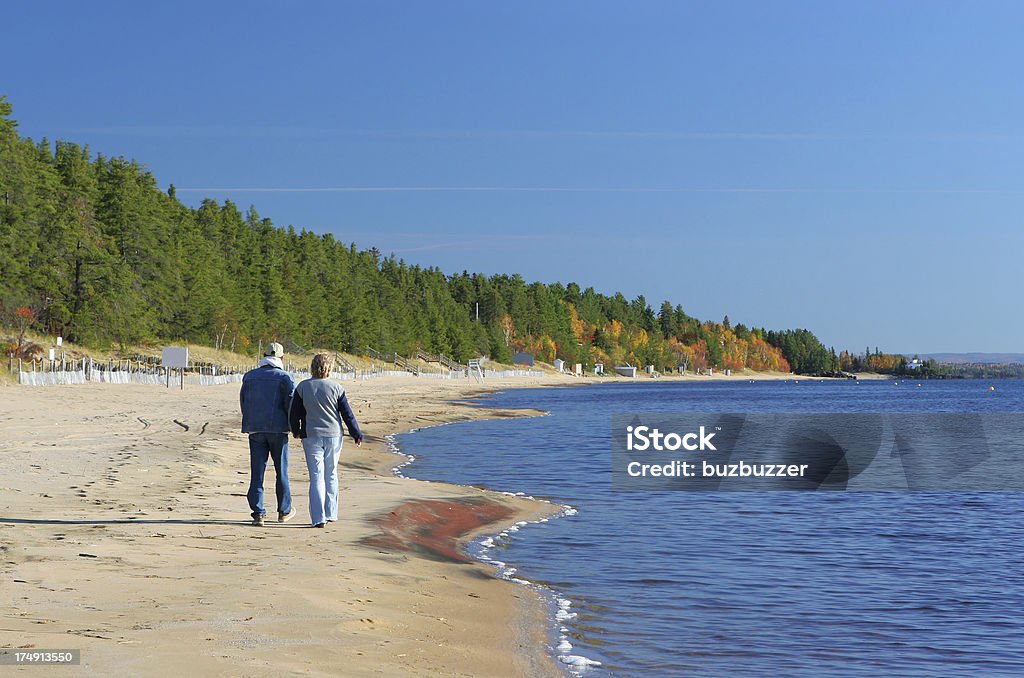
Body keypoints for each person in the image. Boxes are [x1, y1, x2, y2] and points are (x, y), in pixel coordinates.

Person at [289, 352, 363, 528]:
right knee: (331, 474)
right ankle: (331, 512)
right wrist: (356, 434)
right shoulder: (336, 387)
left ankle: (318, 518)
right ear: (329, 368)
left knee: (316, 477)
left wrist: (296, 431)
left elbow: (294, 413)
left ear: (312, 367)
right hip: (334, 436)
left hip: (311, 436)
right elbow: (347, 414)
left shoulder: (303, 387)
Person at [240, 342, 297, 527]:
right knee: (281, 471)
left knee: (257, 472)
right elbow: (290, 404)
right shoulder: (285, 378)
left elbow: (244, 402)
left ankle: (258, 512)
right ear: (281, 358)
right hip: (278, 429)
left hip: (255, 428)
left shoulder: (249, 377)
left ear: (264, 356)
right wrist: (294, 426)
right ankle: (284, 510)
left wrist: (249, 421)